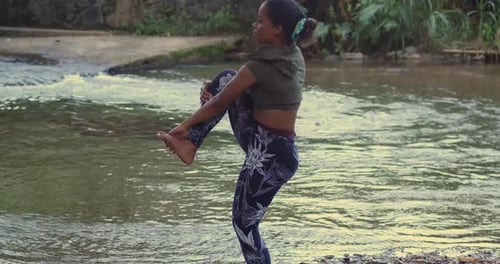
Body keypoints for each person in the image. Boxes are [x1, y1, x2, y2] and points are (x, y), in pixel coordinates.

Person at [156, 0, 316, 262]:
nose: (254, 26)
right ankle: (191, 146)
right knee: (225, 79)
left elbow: (220, 102)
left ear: (277, 29)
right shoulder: (290, 54)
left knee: (244, 224)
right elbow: (236, 95)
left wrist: (184, 126)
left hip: (272, 154)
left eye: (260, 21)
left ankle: (189, 142)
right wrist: (216, 95)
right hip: (261, 140)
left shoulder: (262, 66)